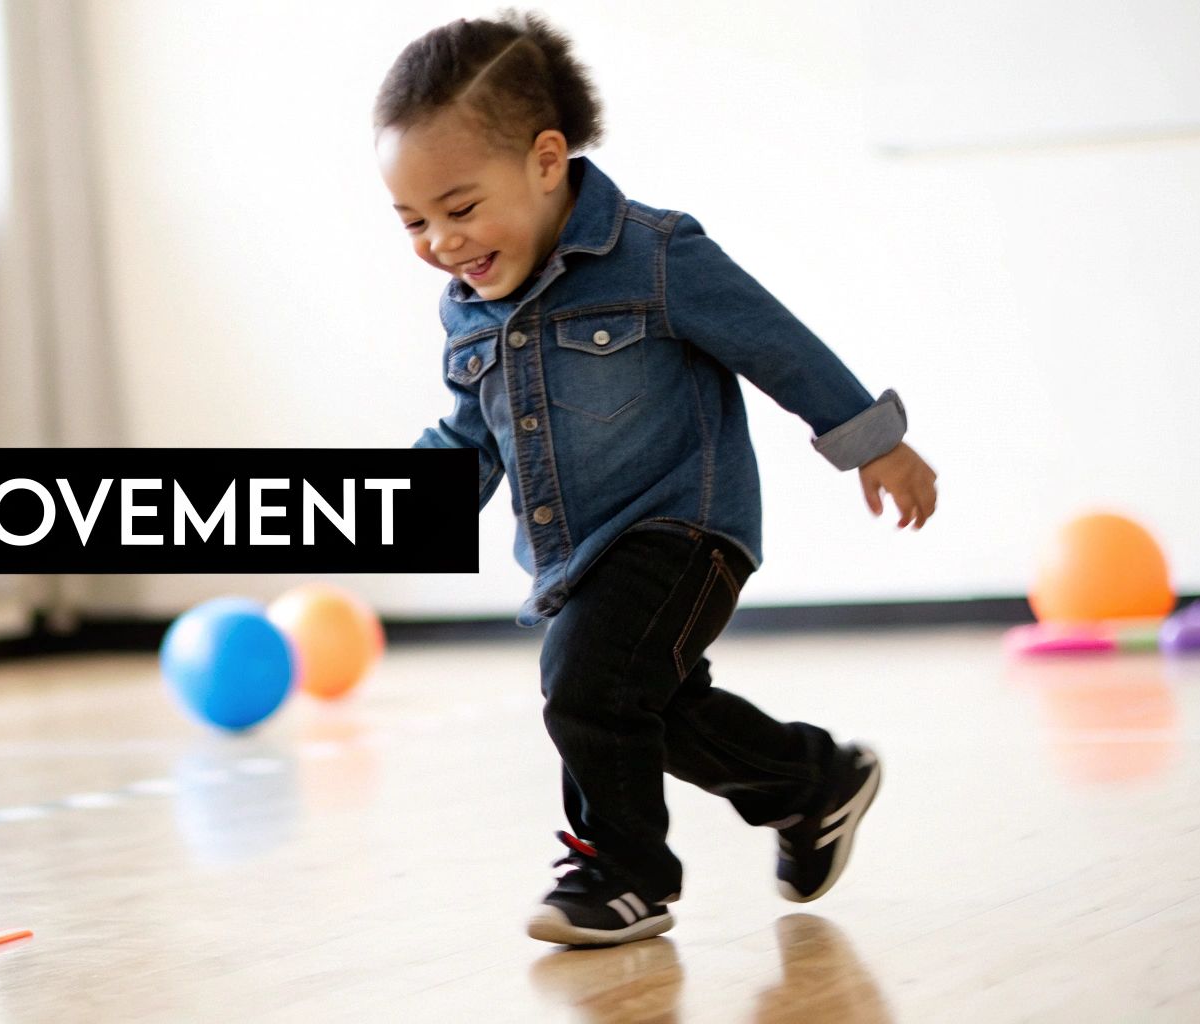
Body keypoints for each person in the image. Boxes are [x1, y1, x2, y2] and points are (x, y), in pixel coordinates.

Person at [376, 11, 939, 946]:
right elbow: (471, 434)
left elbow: (777, 344)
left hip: (687, 529)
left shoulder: (657, 254)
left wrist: (871, 440)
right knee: (654, 708)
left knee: (587, 682)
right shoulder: (469, 313)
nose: (440, 241)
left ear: (546, 160)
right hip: (580, 559)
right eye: (412, 221)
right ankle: (811, 785)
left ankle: (620, 873)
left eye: (460, 208)